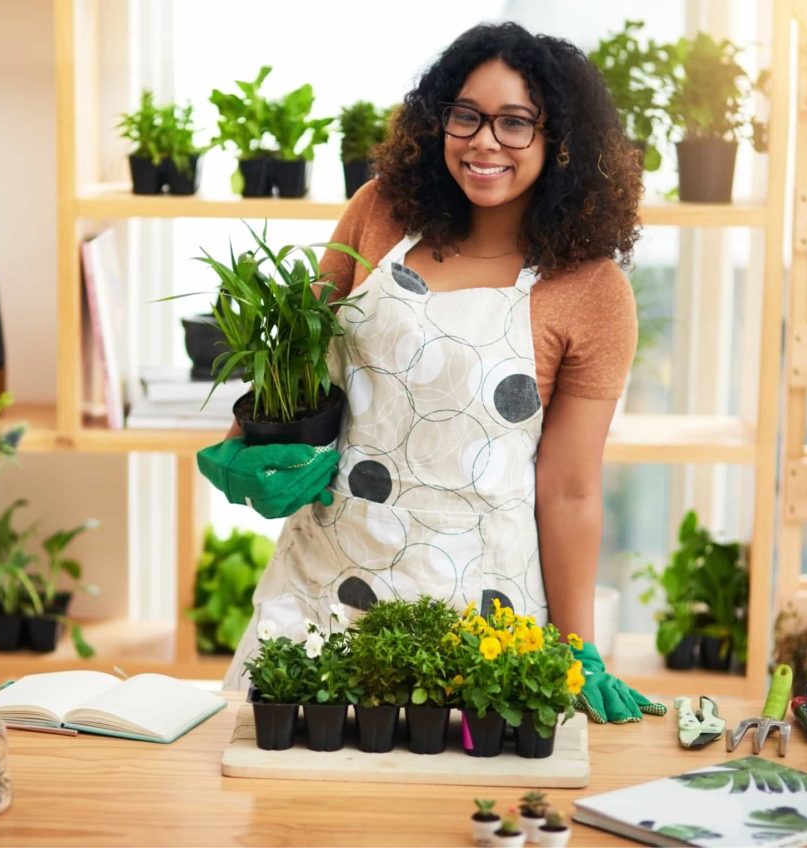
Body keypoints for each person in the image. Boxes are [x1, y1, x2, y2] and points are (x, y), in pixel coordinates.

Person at [199, 21, 666, 724]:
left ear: (561, 142)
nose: (484, 141)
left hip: (479, 618)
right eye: (467, 116)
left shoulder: (592, 291)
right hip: (328, 585)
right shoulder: (380, 213)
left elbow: (569, 491)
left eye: (516, 123)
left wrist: (578, 646)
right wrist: (247, 442)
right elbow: (295, 358)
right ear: (438, 119)